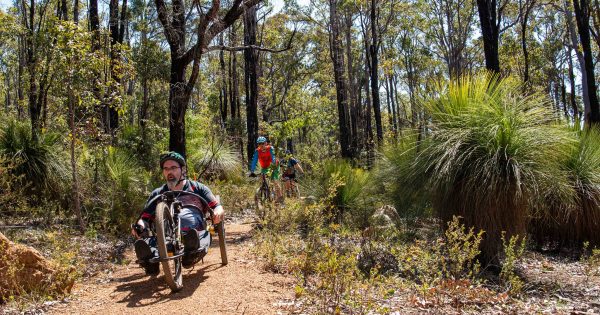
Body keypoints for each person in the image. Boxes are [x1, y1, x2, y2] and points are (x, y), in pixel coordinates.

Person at [131, 151, 225, 275]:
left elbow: (216, 206)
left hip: (195, 232)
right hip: (165, 235)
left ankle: (191, 254)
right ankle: (150, 263)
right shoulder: (157, 193)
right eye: (166, 169)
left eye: (174, 168)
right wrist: (140, 225)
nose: (169, 172)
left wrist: (218, 212)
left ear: (182, 169)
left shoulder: (197, 188)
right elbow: (145, 217)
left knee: (194, 238)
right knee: (145, 243)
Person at [249, 136, 282, 201]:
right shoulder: (257, 151)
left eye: (263, 143)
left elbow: (273, 157)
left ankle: (280, 198)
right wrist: (252, 171)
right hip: (264, 167)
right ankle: (265, 193)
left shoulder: (270, 148)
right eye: (259, 144)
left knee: (275, 181)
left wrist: (273, 166)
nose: (261, 145)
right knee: (262, 180)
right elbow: (254, 161)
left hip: (274, 166)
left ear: (266, 143)